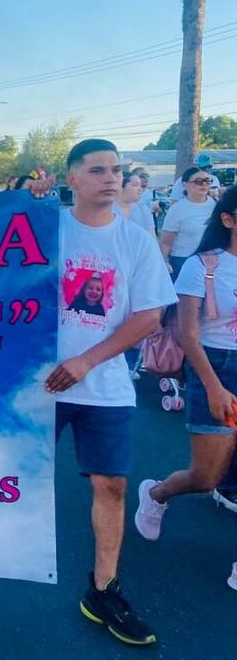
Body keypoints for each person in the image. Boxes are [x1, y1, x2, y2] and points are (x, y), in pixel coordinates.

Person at [46, 138, 174, 646]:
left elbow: (149, 317)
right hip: (40, 382)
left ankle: (103, 590)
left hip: (103, 383)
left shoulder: (136, 241)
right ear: (72, 179)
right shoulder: (45, 230)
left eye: (116, 170)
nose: (111, 178)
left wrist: (86, 361)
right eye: (97, 170)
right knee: (16, 478)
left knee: (113, 485)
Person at [135, 187, 237, 590]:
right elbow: (188, 335)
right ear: (228, 219)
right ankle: (157, 494)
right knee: (205, 477)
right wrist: (213, 387)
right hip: (217, 368)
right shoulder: (203, 266)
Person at [160, 166, 216, 277]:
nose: (204, 184)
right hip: (182, 262)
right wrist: (163, 262)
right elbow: (166, 242)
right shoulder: (177, 209)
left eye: (207, 181)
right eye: (198, 181)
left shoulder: (215, 204)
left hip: (211, 260)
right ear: (185, 185)